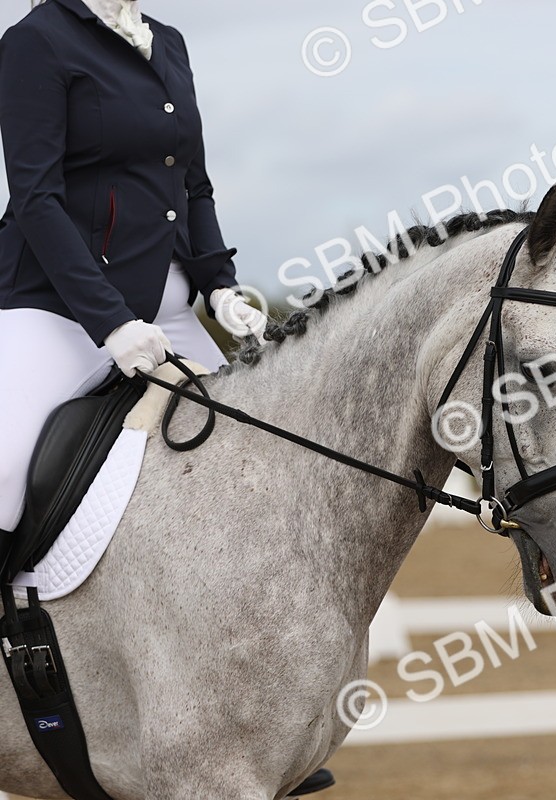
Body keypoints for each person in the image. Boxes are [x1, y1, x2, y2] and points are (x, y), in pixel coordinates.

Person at [0, 1, 334, 794]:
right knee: (5, 470)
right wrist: (110, 323)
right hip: (54, 307)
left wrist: (219, 286)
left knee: (264, 472)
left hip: (172, 311)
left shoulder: (169, 43)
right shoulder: (35, 42)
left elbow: (193, 182)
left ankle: (252, 721)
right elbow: (38, 197)